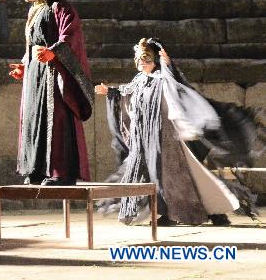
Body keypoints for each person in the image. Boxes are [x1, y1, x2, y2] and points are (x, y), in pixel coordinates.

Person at [96, 39, 263, 226]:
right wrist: (110, 92)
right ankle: (196, 212)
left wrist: (167, 62)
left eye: (146, 59)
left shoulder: (163, 78)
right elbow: (125, 91)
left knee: (179, 177)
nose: (142, 63)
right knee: (165, 176)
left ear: (154, 60)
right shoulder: (139, 80)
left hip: (169, 140)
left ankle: (190, 213)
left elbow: (173, 77)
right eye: (139, 60)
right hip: (148, 140)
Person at [8, 0, 93, 186]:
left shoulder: (59, 7)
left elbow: (71, 35)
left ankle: (61, 172)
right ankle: (36, 168)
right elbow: (31, 44)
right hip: (36, 74)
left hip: (54, 74)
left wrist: (54, 52)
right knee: (35, 118)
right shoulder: (33, 11)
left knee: (57, 120)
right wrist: (24, 66)